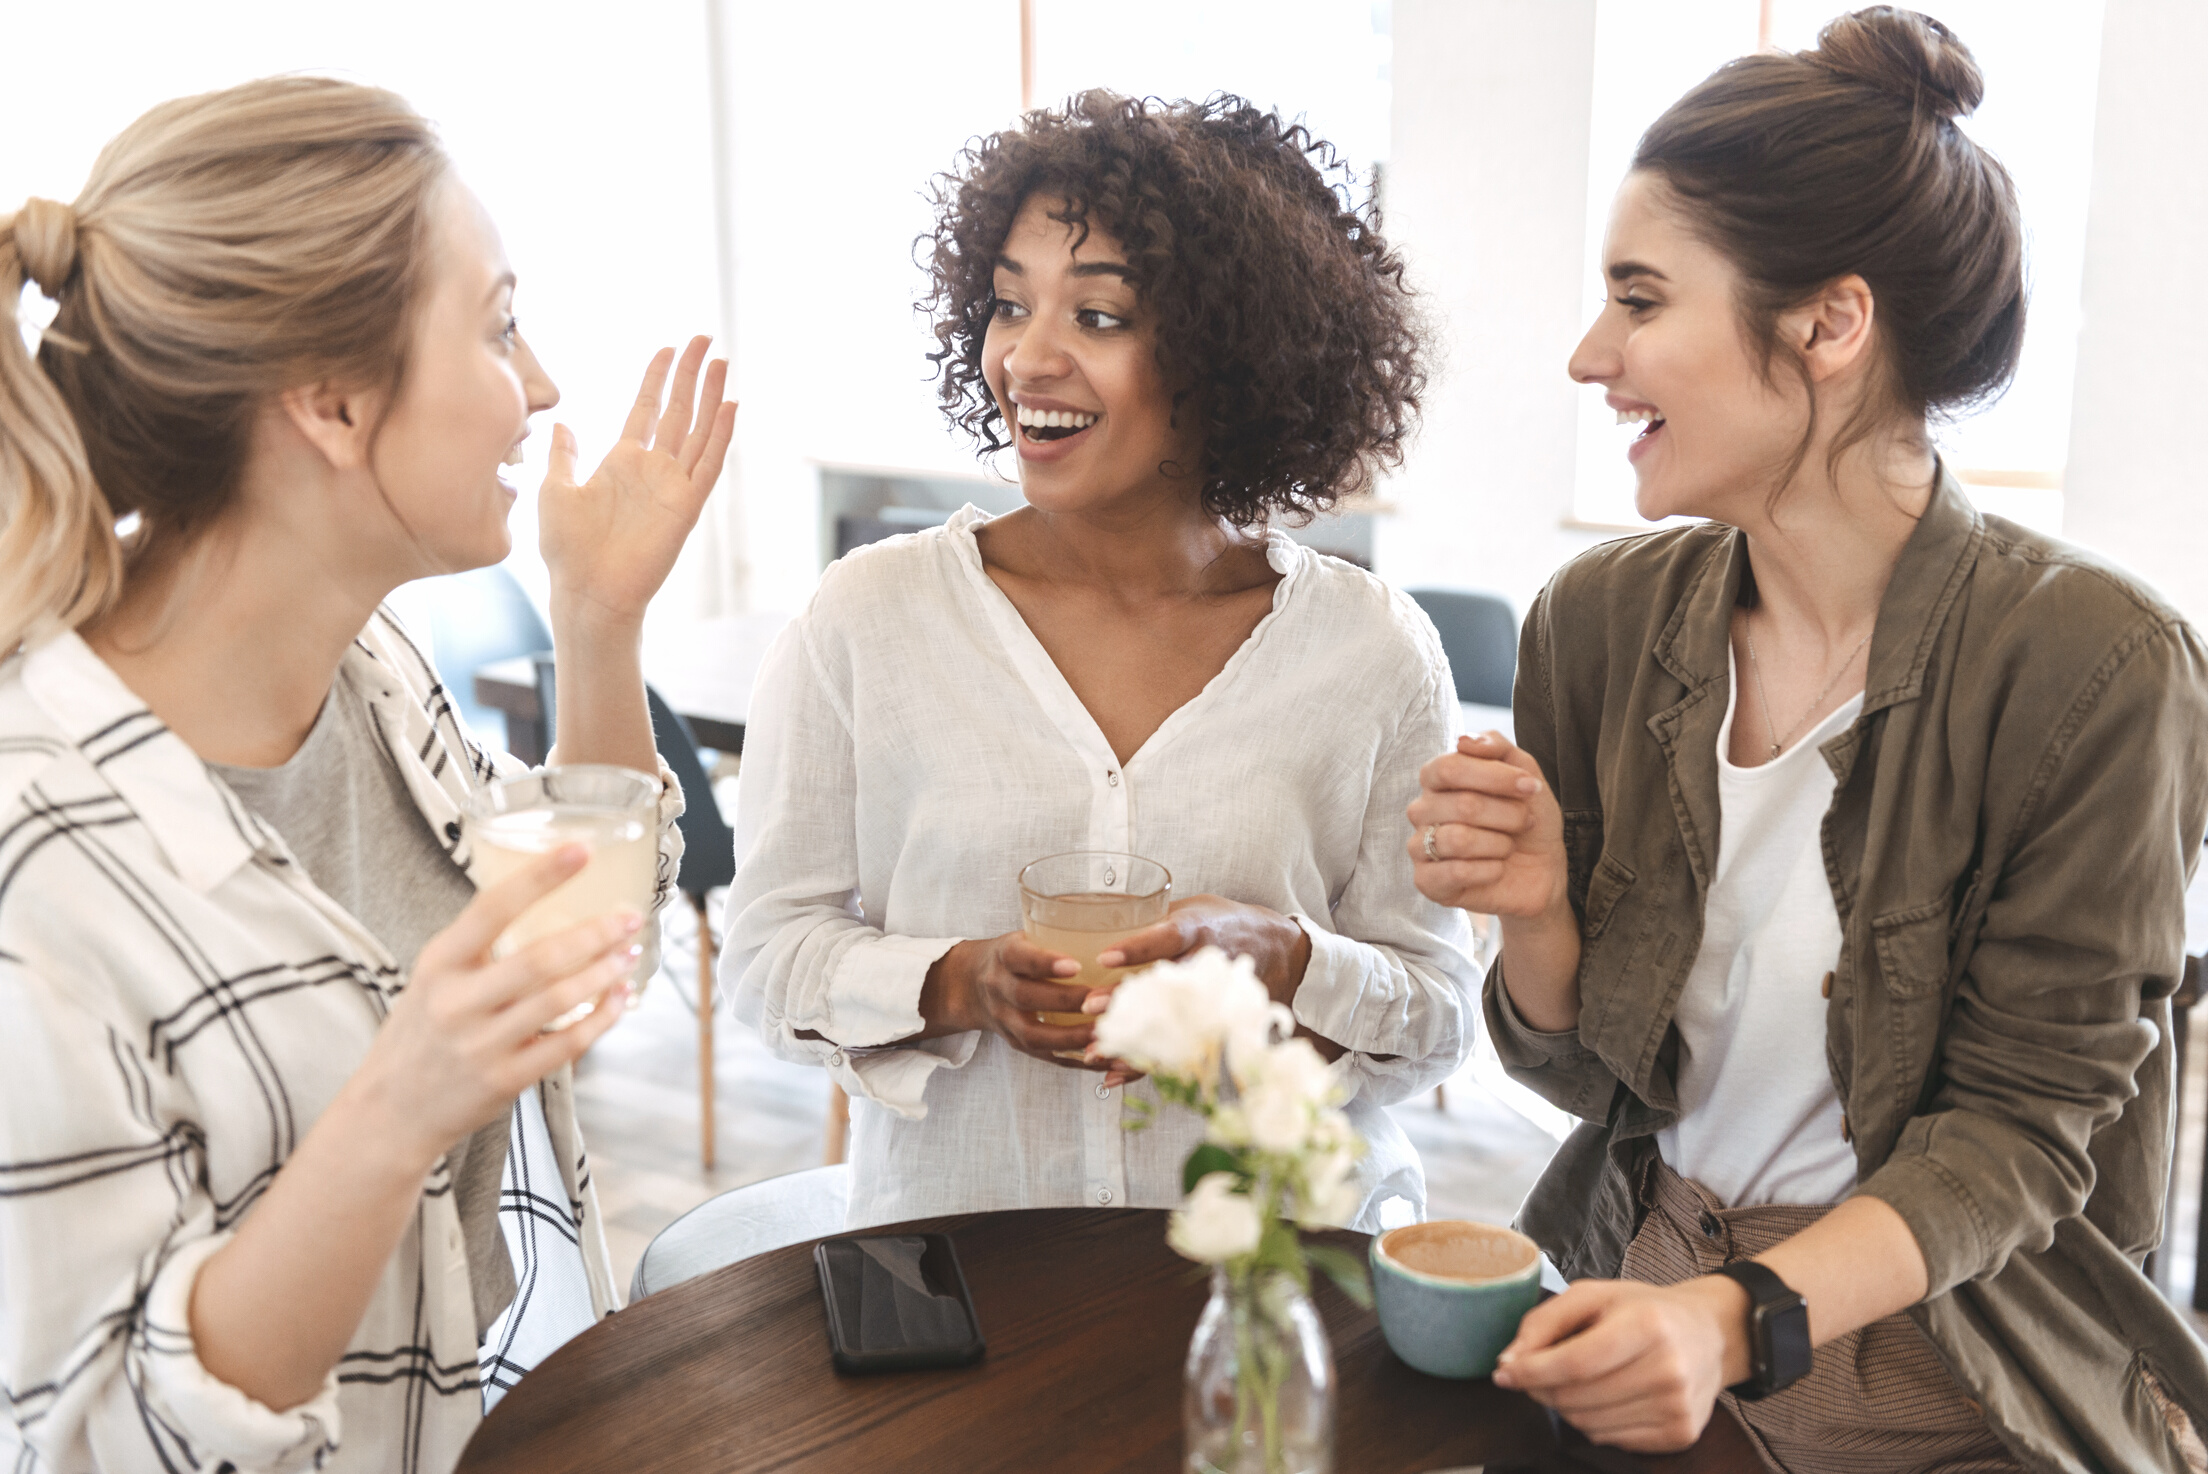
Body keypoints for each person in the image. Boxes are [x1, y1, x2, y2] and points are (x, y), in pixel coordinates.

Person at [1408, 10, 2208, 1471]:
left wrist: (1735, 1318)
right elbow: (1588, 1077)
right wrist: (1532, 909)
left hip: (1946, 1358)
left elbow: (2026, 1136)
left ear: (1829, 324)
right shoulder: (1595, 620)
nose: (1593, 353)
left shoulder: (2097, 666)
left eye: (1642, 298)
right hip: (1647, 1292)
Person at [0, 77, 733, 1472]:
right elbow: (96, 1442)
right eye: (499, 325)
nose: (543, 385)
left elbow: (581, 968)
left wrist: (599, 621)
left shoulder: (370, 677)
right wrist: (399, 1101)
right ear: (332, 402)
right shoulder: (35, 858)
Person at [728, 91, 1475, 1230]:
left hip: (1278, 1291)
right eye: (1009, 305)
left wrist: (1289, 962)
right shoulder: (872, 617)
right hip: (970, 1280)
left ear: (1228, 351)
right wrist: (957, 982)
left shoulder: (1369, 653)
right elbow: (767, 957)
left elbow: (1437, 1014)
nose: (1028, 358)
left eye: (1100, 317)